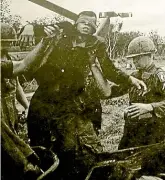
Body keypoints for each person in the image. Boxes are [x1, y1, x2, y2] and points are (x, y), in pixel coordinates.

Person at [26, 11, 146, 179]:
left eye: (91, 24)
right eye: (83, 22)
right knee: (40, 147)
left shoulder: (95, 46)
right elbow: (33, 30)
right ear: (76, 24)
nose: (86, 26)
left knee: (70, 150)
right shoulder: (62, 34)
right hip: (43, 102)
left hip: (68, 104)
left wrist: (129, 79)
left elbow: (109, 69)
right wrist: (35, 30)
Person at [1, 23, 52, 180]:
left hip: (9, 115)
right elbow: (24, 66)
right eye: (3, 43)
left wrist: (26, 105)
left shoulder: (5, 57)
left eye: (8, 44)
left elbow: (14, 85)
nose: (6, 47)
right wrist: (44, 42)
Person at [110, 36, 165, 149]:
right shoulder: (134, 76)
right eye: (133, 58)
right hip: (133, 127)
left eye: (138, 57)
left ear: (150, 55)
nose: (134, 61)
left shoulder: (160, 76)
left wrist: (149, 107)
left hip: (154, 129)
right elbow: (114, 91)